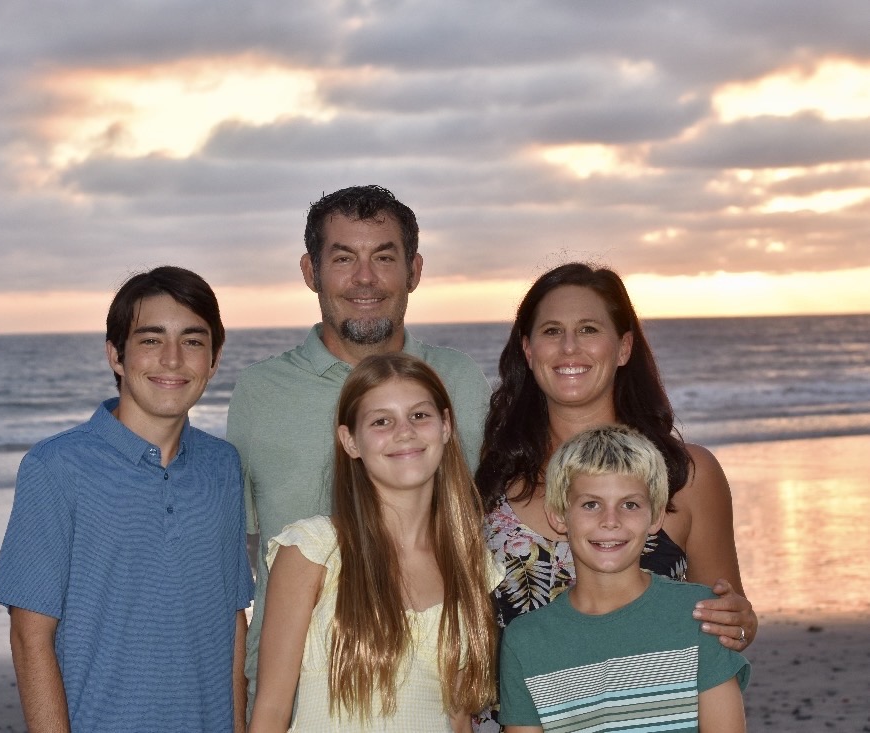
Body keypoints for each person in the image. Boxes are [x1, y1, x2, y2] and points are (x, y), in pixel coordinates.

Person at [228, 185, 491, 714]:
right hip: (295, 698)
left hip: (433, 690)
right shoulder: (260, 393)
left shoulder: (458, 381)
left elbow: (488, 521)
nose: (365, 279)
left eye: (384, 258)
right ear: (311, 272)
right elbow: (233, 557)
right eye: (343, 258)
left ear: (414, 271)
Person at [0, 266, 254, 733]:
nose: (172, 360)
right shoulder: (55, 468)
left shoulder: (224, 468)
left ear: (213, 360)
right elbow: (30, 637)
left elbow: (231, 623)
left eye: (192, 341)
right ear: (116, 355)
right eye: (151, 340)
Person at [474, 262, 756, 648]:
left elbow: (728, 622)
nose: (569, 346)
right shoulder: (491, 478)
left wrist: (739, 623)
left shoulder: (686, 477)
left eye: (588, 329)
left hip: (646, 706)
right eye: (552, 331)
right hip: (512, 709)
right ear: (527, 349)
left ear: (623, 348)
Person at [248, 353, 500, 733]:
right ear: (350, 441)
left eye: (419, 415)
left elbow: (459, 719)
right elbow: (270, 712)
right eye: (381, 421)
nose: (405, 432)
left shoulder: (471, 562)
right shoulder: (313, 550)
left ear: (446, 426)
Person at [498, 424, 749, 732]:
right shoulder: (526, 641)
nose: (610, 522)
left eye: (630, 504)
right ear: (560, 515)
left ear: (655, 516)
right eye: (591, 504)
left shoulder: (700, 616)